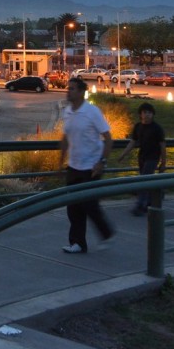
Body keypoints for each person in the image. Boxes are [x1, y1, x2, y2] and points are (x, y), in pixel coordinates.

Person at [59, 77, 115, 253]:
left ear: (82, 92)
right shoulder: (67, 112)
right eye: (69, 88)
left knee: (89, 204)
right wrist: (60, 161)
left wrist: (102, 162)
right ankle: (78, 243)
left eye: (73, 89)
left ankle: (106, 233)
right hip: (74, 166)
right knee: (73, 207)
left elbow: (108, 139)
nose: (69, 91)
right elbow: (65, 137)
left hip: (91, 167)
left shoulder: (92, 112)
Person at [117, 102, 167, 216]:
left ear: (153, 114)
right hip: (142, 157)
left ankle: (140, 205)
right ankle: (151, 199)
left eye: (149, 113)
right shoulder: (138, 127)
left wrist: (163, 162)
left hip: (153, 157)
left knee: (143, 180)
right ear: (140, 114)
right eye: (145, 112)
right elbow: (133, 142)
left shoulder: (157, 128)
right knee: (145, 181)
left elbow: (162, 146)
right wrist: (123, 154)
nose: (147, 115)